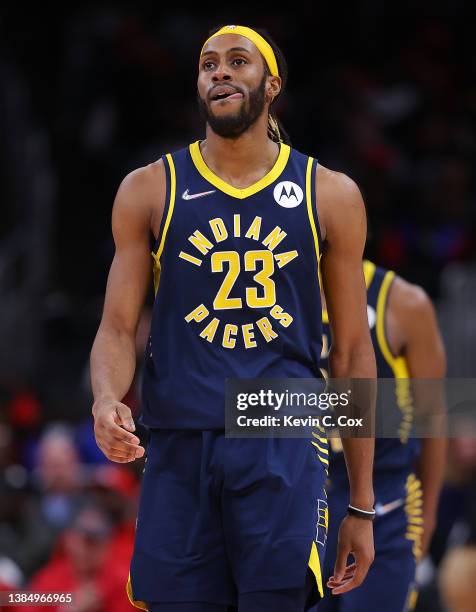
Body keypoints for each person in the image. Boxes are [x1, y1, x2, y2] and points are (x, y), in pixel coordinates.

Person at [90, 24, 377, 611]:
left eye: (237, 61)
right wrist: (104, 398)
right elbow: (118, 328)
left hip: (283, 439)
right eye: (208, 64)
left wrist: (362, 504)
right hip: (179, 443)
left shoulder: (331, 193)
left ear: (271, 86)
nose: (219, 71)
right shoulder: (148, 189)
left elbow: (351, 353)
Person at [318, 260, 447, 612]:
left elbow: (433, 418)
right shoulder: (264, 295)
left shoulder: (404, 303)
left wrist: (430, 513)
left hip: (383, 505)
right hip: (295, 504)